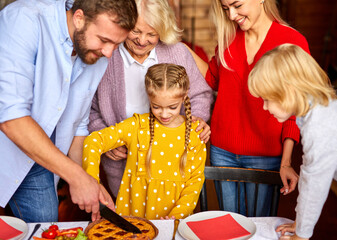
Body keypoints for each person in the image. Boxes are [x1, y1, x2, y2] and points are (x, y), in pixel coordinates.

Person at [0, 0, 137, 222]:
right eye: (104, 40)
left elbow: (78, 125)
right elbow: (11, 118)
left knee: (45, 229)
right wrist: (76, 176)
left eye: (116, 44)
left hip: (40, 160)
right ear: (79, 18)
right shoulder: (23, 20)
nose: (110, 53)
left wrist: (90, 181)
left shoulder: (97, 51)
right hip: (6, 147)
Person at [187, 0, 310, 216]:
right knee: (230, 225)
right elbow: (215, 79)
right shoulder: (229, 36)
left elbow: (296, 108)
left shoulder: (292, 41)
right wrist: (183, 50)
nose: (232, 15)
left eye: (237, 5)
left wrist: (286, 161)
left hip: (266, 153)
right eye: (226, 9)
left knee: (258, 228)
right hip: (222, 151)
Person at [88, 0, 213, 199]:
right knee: (130, 221)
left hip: (172, 164)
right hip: (123, 164)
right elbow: (89, 109)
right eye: (135, 31)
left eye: (152, 34)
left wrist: (195, 120)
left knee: (169, 219)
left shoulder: (177, 52)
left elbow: (200, 94)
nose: (142, 40)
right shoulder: (105, 56)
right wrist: (106, 139)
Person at [248, 43, 337, 240]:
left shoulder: (322, 124)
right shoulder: (315, 114)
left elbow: (314, 184)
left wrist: (301, 235)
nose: (265, 107)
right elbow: (310, 177)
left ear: (289, 91)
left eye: (267, 99)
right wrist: (300, 224)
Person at [83, 63, 207, 219]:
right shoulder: (137, 126)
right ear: (149, 97)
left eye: (172, 107)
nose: (164, 114)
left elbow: (195, 182)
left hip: (174, 222)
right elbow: (93, 141)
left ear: (184, 96)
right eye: (156, 106)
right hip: (133, 222)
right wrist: (93, 182)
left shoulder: (195, 134)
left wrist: (177, 215)